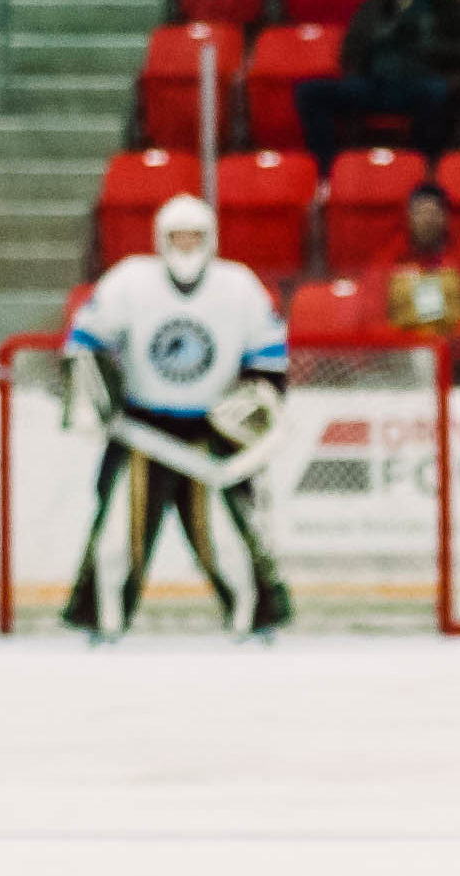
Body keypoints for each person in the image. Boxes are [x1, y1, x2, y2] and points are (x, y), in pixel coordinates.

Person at [60, 196, 295, 643]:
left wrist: (259, 398)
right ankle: (104, 622)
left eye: (194, 236)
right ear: (160, 239)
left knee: (229, 537)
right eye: (176, 236)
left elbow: (269, 358)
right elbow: (84, 341)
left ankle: (254, 620)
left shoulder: (239, 285)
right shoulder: (130, 280)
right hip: (141, 428)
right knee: (116, 535)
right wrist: (90, 396)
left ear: (211, 239)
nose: (186, 244)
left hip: (214, 431)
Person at [294, 0, 460, 173]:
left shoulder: (448, 7)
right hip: (374, 84)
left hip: (421, 83)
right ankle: (328, 171)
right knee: (309, 93)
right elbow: (349, 49)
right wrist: (377, 41)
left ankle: (424, 168)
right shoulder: (373, 6)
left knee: (438, 93)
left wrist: (426, 47)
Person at [373, 182, 460, 340]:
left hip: (455, 353)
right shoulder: (388, 261)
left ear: (445, 217)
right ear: (408, 216)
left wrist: (455, 340)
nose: (426, 220)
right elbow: (373, 318)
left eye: (433, 213)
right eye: (420, 213)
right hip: (402, 354)